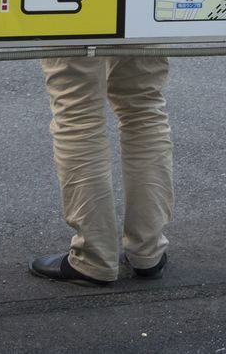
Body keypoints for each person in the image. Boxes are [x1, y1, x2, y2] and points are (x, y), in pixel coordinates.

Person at [29, 55, 175, 286]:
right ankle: (148, 252)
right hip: (140, 18)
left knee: (77, 108)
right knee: (143, 104)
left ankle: (93, 258)